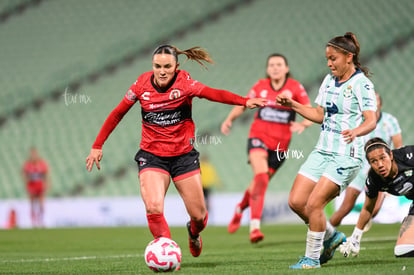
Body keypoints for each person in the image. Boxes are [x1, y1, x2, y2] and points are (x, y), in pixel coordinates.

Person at [85, 45, 266, 258]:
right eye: (157, 66)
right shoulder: (141, 84)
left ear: (176, 67)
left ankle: (193, 232)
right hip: (152, 156)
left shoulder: (185, 83)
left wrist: (244, 101)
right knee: (153, 207)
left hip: (183, 157)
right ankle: (167, 254)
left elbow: (212, 93)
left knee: (199, 216)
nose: (162, 71)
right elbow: (117, 114)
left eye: (167, 67)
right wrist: (97, 145)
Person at [276, 32, 377, 269]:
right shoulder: (329, 80)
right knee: (296, 201)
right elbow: (319, 114)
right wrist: (294, 105)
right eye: (327, 59)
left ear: (349, 57)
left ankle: (311, 259)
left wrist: (357, 131)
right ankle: (332, 237)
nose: (329, 64)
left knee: (314, 204)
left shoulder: (362, 84)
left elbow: (371, 120)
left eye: (333, 59)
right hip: (322, 150)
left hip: (346, 154)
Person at [221, 53, 312, 243]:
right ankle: (254, 227)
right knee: (261, 177)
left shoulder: (295, 87)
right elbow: (244, 104)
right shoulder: (260, 86)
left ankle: (239, 208)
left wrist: (303, 124)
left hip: (280, 147)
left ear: (286, 68)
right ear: (267, 69)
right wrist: (229, 119)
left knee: (258, 183)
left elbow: (309, 109)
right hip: (258, 138)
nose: (275, 67)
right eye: (271, 65)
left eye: (279, 64)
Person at [329, 92, 403, 231]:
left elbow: (398, 148)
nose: (373, 104)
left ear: (380, 103)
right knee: (345, 207)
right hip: (359, 171)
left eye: (375, 101)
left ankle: (358, 232)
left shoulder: (389, 121)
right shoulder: (357, 122)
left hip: (380, 173)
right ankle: (325, 232)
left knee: (373, 210)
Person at [339, 138, 414, 258]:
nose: (380, 165)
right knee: (402, 251)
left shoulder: (408, 155)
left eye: (382, 158)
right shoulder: (374, 179)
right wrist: (355, 237)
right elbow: (368, 208)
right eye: (373, 161)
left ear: (390, 155)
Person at [22, 147, 50, 228]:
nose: (33, 155)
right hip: (31, 185)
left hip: (40, 185)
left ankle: (41, 220)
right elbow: (24, 174)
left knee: (41, 203)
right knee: (32, 204)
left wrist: (47, 184)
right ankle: (33, 222)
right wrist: (27, 180)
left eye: (35, 153)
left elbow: (46, 174)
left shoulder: (41, 163)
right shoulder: (28, 164)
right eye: (32, 154)